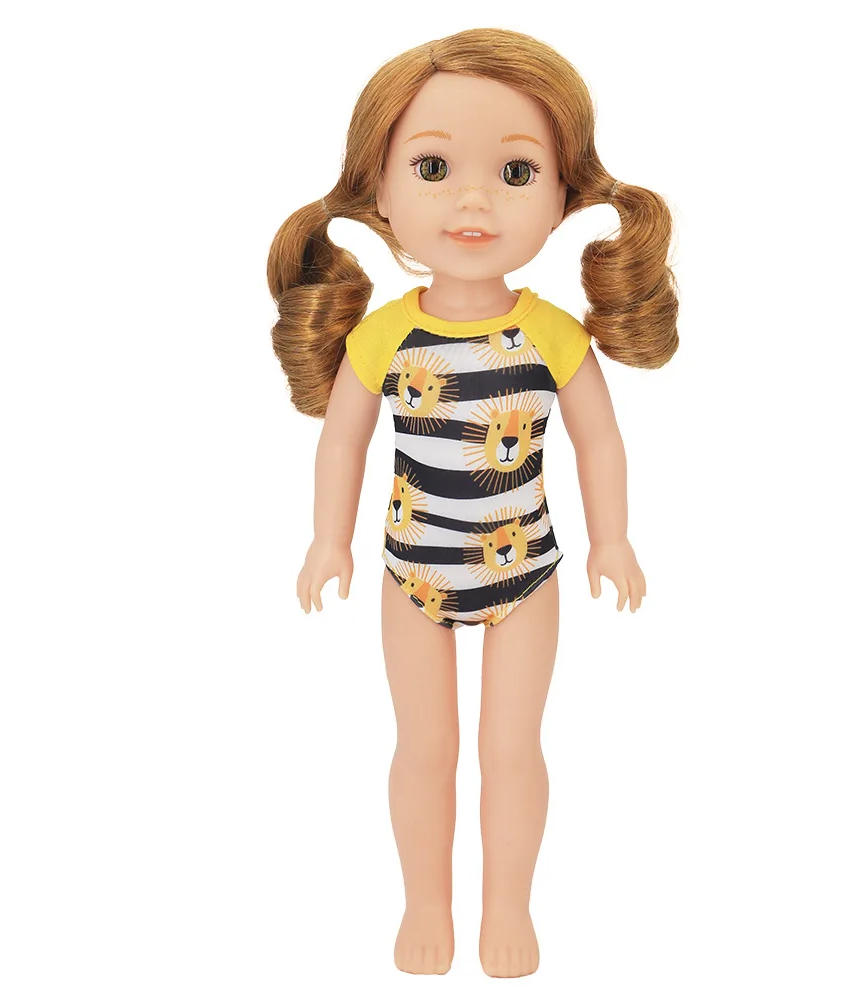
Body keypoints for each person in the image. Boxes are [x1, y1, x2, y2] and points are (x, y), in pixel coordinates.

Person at [266, 27, 678, 978]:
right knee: (424, 746)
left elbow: (599, 440)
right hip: (411, 573)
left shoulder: (553, 336)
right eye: (434, 167)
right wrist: (328, 539)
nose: (474, 200)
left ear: (565, 194)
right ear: (378, 189)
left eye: (517, 172)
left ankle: (507, 906)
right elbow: (343, 440)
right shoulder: (382, 337)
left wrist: (613, 538)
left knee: (511, 746)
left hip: (524, 575)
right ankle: (424, 902)